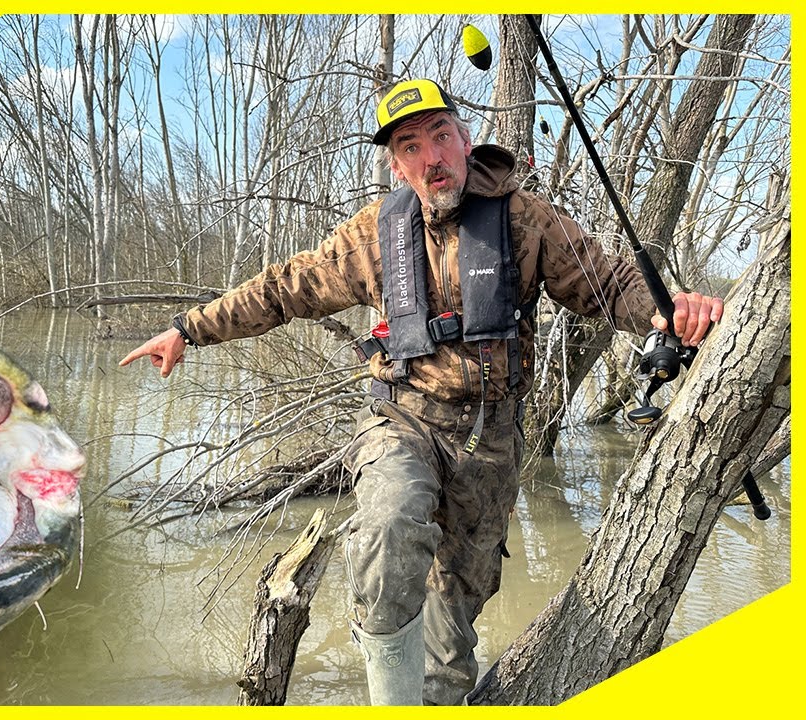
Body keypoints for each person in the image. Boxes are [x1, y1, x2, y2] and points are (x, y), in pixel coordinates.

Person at [119, 78, 723, 705]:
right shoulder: (375, 234)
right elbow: (284, 288)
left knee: (449, 644)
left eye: (440, 136)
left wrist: (667, 309)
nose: (431, 157)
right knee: (388, 524)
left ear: (465, 140)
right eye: (411, 145)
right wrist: (189, 329)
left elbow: (608, 280)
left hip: (489, 438)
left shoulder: (523, 218)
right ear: (396, 164)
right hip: (403, 417)